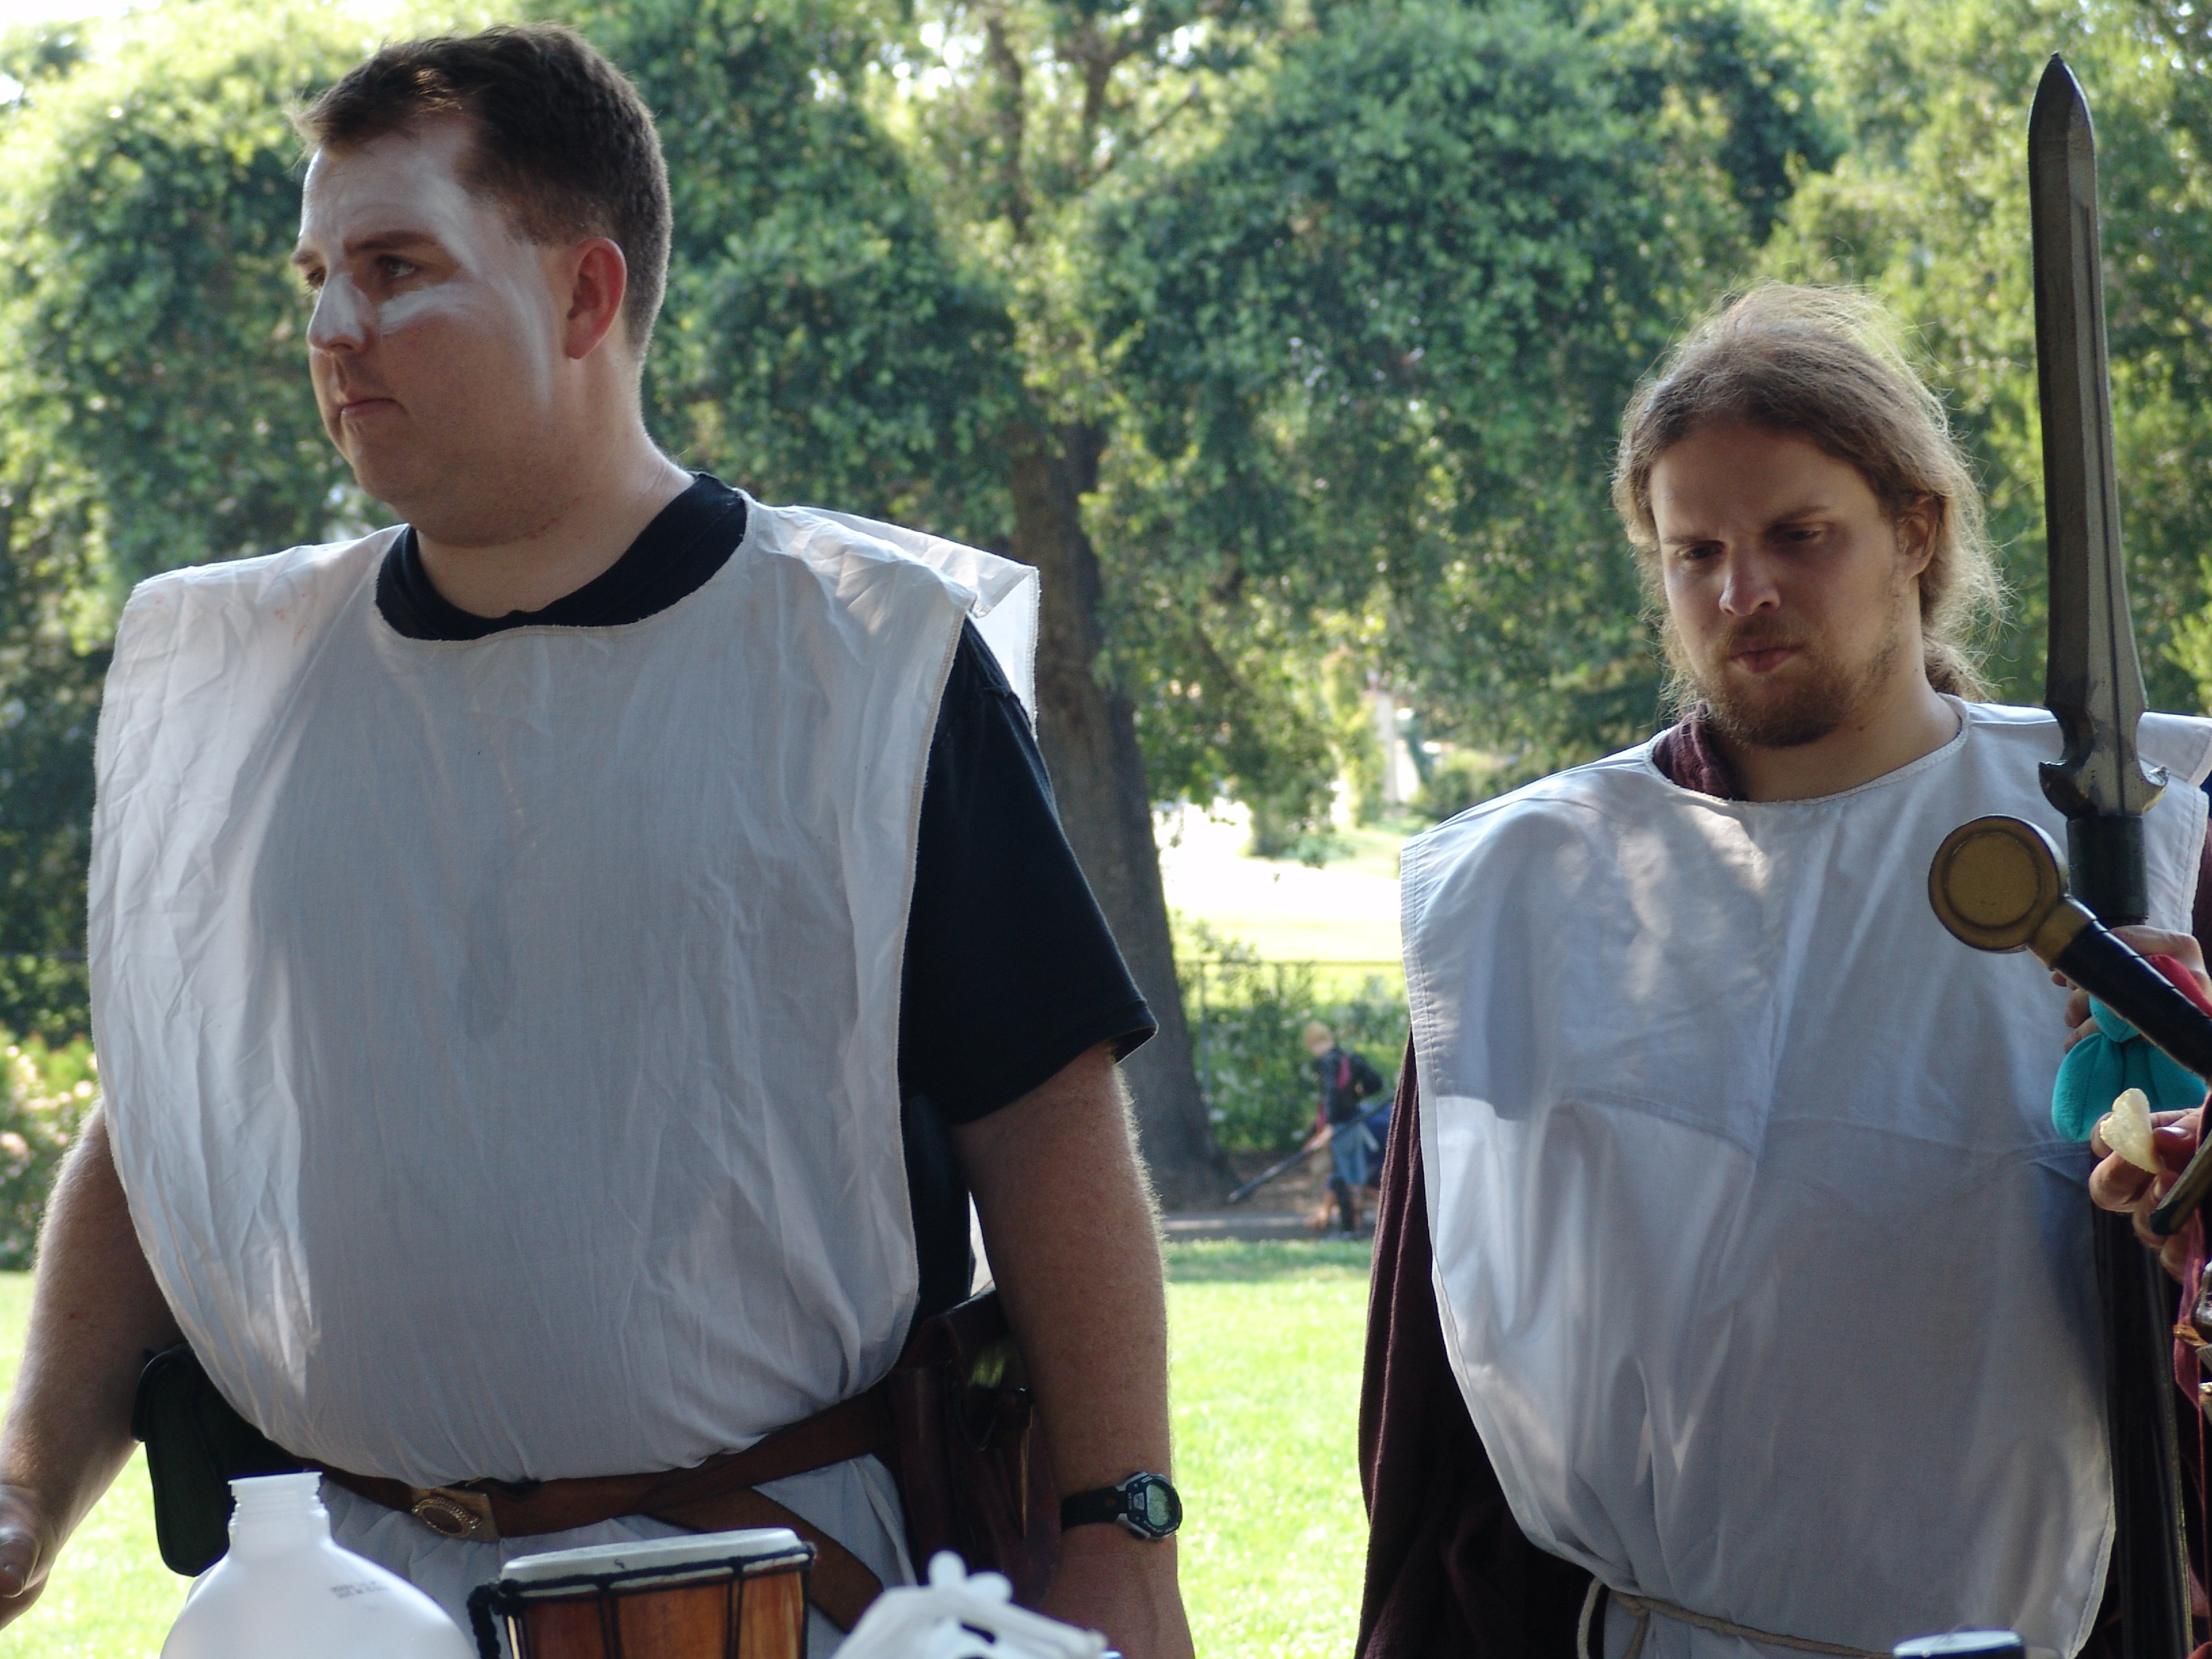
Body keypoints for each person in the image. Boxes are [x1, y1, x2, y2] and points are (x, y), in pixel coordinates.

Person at [0, 28, 1193, 1659]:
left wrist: (1120, 1532)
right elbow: (172, 1120)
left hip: (768, 1584)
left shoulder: (864, 661)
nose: (333, 328)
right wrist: (27, 1481)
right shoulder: (235, 685)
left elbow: (1044, 1117)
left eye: (396, 267)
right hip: (335, 1599)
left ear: (583, 294)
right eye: (319, 277)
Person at [1357, 285, 2212, 1659]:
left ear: (1914, 530)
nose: (1740, 592)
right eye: (1694, 551)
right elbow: (1427, 1387)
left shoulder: (2148, 836)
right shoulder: (1519, 890)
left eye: (1797, 536)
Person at [1300, 1021, 1385, 1236]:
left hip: (1338, 1125)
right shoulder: (1350, 1058)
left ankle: (1350, 1227)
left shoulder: (1326, 1062)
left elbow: (1330, 1094)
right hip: (1355, 1120)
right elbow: (1376, 1083)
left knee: (1343, 1176)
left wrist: (1328, 1126)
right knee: (1353, 1175)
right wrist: (1358, 1095)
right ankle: (1355, 1225)